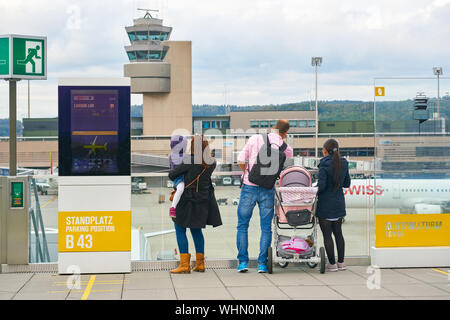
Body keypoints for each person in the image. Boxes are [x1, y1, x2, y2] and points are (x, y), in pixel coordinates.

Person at [236, 120, 293, 273]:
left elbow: (240, 160)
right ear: (285, 132)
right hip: (268, 189)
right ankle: (262, 264)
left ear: (273, 127)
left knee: (242, 225)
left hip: (249, 186)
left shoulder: (255, 139)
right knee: (266, 228)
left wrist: (248, 172)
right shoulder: (286, 148)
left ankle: (243, 262)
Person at [168, 135, 222, 273]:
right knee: (196, 231)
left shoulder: (189, 160)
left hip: (186, 201)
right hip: (202, 201)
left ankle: (185, 265)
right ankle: (200, 264)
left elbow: (173, 174)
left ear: (192, 146)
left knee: (180, 230)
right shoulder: (212, 162)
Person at [316, 138, 351, 272]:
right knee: (338, 234)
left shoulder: (324, 164)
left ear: (325, 151)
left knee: (327, 235)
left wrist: (315, 189)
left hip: (325, 204)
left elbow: (322, 186)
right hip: (339, 203)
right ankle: (341, 263)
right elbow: (347, 184)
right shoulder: (344, 163)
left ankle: (331, 264)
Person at [169, 135, 188, 218]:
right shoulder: (180, 156)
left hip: (182, 177)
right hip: (179, 178)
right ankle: (173, 208)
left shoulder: (173, 155)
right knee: (180, 188)